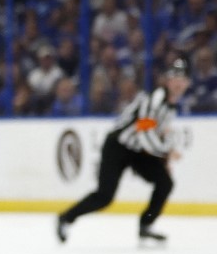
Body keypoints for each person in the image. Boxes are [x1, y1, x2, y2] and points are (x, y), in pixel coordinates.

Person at [57, 59, 192, 244]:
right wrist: (166, 153)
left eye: (182, 79)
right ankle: (66, 218)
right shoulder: (156, 98)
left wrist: (164, 160)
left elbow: (158, 132)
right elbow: (144, 130)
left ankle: (146, 225)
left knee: (165, 182)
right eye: (175, 78)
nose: (178, 83)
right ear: (167, 80)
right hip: (118, 147)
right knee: (105, 196)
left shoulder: (172, 105)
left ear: (187, 83)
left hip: (139, 151)